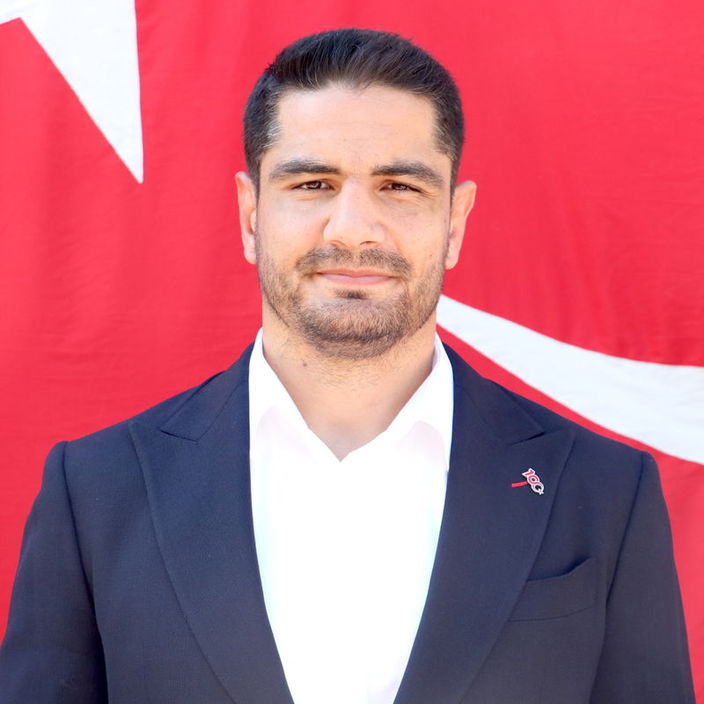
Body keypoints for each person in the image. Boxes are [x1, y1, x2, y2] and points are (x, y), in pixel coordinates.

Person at [0, 28, 694, 704]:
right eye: (313, 184)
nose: (354, 228)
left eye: (400, 187)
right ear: (250, 215)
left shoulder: (603, 492)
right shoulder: (97, 491)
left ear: (455, 222)